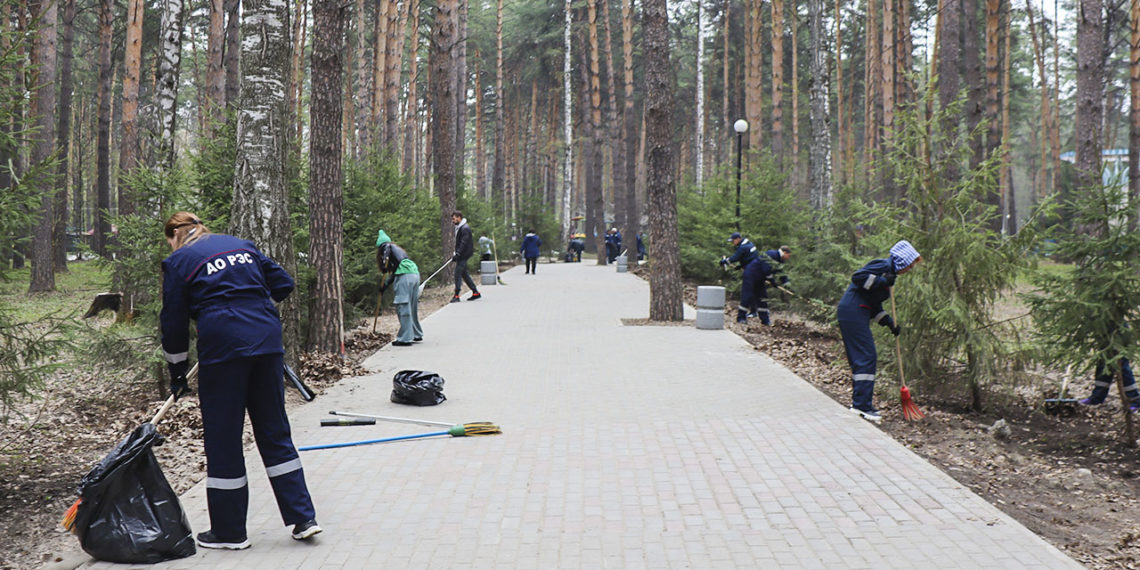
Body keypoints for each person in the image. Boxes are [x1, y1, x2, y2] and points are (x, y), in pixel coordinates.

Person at [159, 212, 320, 550]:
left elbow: (173, 322)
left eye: (168, 239)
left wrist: (177, 372)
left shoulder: (179, 260)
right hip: (266, 342)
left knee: (224, 437)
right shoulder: (240, 245)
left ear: (176, 234)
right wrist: (254, 309)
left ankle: (230, 532)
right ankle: (303, 518)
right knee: (275, 432)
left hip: (224, 350)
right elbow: (284, 283)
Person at [835, 239, 922, 422]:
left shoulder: (890, 274)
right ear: (902, 260)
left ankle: (861, 403)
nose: (909, 269)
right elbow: (857, 278)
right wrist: (882, 280)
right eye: (910, 265)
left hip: (858, 311)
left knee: (863, 357)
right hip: (853, 311)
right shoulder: (883, 265)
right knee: (866, 356)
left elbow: (873, 304)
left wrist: (889, 322)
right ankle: (861, 405)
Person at [720, 234, 790, 325]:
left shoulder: (778, 258)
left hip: (760, 278)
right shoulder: (771, 254)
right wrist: (773, 282)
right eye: (788, 255)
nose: (789, 257)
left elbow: (780, 271)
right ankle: (741, 318)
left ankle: (765, 320)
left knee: (763, 298)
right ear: (784, 252)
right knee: (747, 296)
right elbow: (766, 270)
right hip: (751, 275)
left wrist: (786, 282)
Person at [376, 230, 423, 346]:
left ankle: (405, 338)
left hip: (405, 277)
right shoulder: (399, 250)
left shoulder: (387, 246)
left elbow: (387, 256)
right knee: (412, 305)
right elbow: (395, 273)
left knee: (403, 305)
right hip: (414, 274)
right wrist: (385, 286)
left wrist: (383, 263)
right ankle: (416, 334)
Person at [451, 211, 481, 302]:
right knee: (464, 274)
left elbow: (464, 242)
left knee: (457, 273)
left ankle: (456, 296)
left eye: (454, 218)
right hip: (462, 255)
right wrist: (456, 253)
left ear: (459, 217)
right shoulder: (460, 227)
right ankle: (475, 292)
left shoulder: (464, 228)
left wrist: (458, 253)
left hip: (464, 255)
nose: (453, 221)